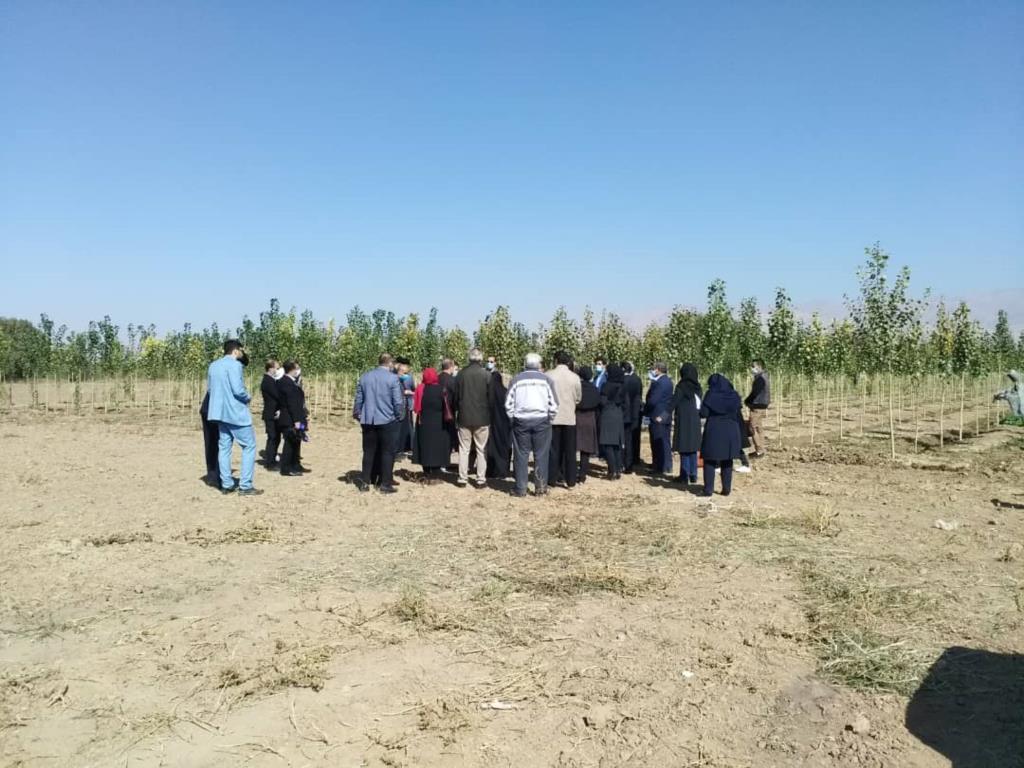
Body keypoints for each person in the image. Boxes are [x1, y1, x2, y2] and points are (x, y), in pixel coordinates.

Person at [206, 340, 263, 496]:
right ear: (236, 351)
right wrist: (248, 397)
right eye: (241, 350)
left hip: (219, 413)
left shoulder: (213, 365)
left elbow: (210, 390)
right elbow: (238, 390)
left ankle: (227, 484)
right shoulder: (235, 365)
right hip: (235, 413)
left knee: (224, 447)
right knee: (249, 446)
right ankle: (245, 486)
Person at [505, 353, 559, 497]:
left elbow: (508, 403)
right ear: (539, 364)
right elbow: (554, 404)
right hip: (541, 421)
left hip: (521, 421)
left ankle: (521, 488)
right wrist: (550, 419)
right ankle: (540, 488)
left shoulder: (516, 380)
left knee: (521, 455)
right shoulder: (547, 380)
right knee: (541, 454)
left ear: (525, 364)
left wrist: (512, 418)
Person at [353, 353, 406, 493]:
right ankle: (385, 484)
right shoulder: (393, 378)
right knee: (388, 452)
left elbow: (359, 399)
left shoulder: (365, 377)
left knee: (368, 451)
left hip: (368, 420)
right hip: (387, 419)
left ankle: (365, 482)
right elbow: (397, 401)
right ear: (390, 363)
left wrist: (358, 414)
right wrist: (399, 416)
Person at [700, 374, 744, 496]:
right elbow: (738, 411)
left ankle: (708, 489)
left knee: (709, 459)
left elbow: (704, 413)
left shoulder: (710, 395)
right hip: (731, 429)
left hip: (715, 429)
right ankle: (726, 489)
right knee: (727, 459)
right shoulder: (734, 395)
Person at [454, 348, 492, 487]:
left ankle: (462, 478)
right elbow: (491, 397)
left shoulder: (461, 374)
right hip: (482, 417)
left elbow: (456, 396)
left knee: (464, 449)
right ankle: (480, 479)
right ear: (481, 359)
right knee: (481, 449)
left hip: (464, 416)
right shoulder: (487, 375)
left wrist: (457, 410)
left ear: (469, 358)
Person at [547, 351, 582, 488]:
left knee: (553, 450)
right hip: (569, 418)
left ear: (556, 361)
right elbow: (578, 398)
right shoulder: (575, 377)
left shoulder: (549, 375)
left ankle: (551, 479)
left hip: (553, 418)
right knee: (570, 451)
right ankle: (571, 480)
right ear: (568, 362)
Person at [413, 367, 448, 483]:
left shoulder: (420, 389)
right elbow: (445, 405)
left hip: (423, 421)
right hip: (438, 422)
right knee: (437, 447)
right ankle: (435, 474)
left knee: (425, 446)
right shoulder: (440, 389)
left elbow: (416, 406)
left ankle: (426, 472)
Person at [671, 363, 703, 484]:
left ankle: (684, 475)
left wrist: (663, 415)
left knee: (684, 447)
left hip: (683, 420)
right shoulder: (698, 387)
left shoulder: (681, 387)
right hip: (695, 420)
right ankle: (693, 474)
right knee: (693, 448)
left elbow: (674, 402)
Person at [276, 359, 307, 477]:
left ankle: (295, 464)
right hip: (290, 418)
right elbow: (292, 404)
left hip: (294, 416)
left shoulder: (291, 381)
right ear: (291, 369)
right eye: (297, 368)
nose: (298, 370)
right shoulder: (287, 383)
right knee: (290, 443)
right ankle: (286, 468)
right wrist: (297, 420)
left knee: (296, 441)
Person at [599, 364, 628, 479]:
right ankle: (618, 468)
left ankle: (612, 470)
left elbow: (602, 401)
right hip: (618, 415)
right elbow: (626, 404)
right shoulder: (622, 386)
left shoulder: (607, 385)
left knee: (607, 444)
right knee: (616, 444)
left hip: (607, 415)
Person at [645, 362, 674, 475]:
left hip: (657, 415)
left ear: (658, 370)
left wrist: (645, 409)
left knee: (657, 441)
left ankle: (658, 466)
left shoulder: (659, 383)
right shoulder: (669, 381)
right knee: (666, 441)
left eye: (653, 369)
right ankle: (667, 465)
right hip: (665, 415)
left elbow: (653, 401)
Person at [485, 365, 512, 479]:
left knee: (491, 448)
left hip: (491, 424)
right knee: (504, 447)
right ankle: (503, 471)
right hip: (504, 425)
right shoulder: (505, 392)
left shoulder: (487, 393)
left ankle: (491, 471)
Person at [575, 365, 601, 483]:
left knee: (572, 447)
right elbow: (597, 403)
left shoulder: (577, 387)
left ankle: (569, 472)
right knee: (586, 450)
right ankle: (582, 475)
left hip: (577, 417)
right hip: (590, 418)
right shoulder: (594, 389)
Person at [744, 360, 771, 458]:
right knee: (759, 427)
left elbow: (755, 392)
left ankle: (759, 451)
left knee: (752, 427)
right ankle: (761, 449)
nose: (751, 368)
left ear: (759, 367)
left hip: (757, 405)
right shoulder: (764, 376)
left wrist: (747, 400)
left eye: (753, 366)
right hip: (762, 405)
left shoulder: (760, 379)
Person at [260, 358, 283, 469]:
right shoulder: (268, 381)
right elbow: (277, 395)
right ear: (271, 368)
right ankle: (270, 463)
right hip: (270, 414)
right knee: (272, 437)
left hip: (274, 413)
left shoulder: (271, 380)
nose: (277, 370)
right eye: (277, 368)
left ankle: (272, 459)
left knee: (276, 437)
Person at [621, 362, 643, 472]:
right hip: (635, 412)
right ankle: (633, 460)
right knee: (633, 438)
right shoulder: (637, 380)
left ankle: (624, 462)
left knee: (625, 440)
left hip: (624, 413)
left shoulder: (622, 381)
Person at [395, 357, 415, 457]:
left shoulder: (407, 377)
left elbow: (413, 389)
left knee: (407, 425)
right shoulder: (405, 377)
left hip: (407, 404)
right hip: (403, 404)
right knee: (405, 425)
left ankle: (406, 446)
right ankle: (404, 447)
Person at [438, 358, 460, 456]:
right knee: (449, 435)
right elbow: (456, 397)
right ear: (450, 367)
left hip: (438, 411)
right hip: (450, 411)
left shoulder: (437, 378)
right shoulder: (452, 380)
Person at [199, 390, 220, 487]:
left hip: (209, 408)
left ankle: (213, 475)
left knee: (212, 443)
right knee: (217, 444)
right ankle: (215, 476)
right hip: (214, 411)